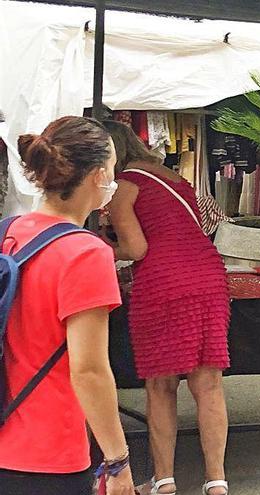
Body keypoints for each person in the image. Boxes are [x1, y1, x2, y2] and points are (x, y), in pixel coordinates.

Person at [0, 116, 134, 495]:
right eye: (112, 168)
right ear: (96, 176)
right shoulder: (86, 253)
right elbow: (89, 370)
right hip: (48, 454)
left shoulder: (8, 232)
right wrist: (117, 460)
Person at [102, 121, 230, 495]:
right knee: (208, 385)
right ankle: (217, 481)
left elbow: (136, 248)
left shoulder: (125, 185)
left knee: (161, 386)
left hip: (164, 282)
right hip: (208, 276)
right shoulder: (173, 177)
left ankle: (164, 480)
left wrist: (98, 245)